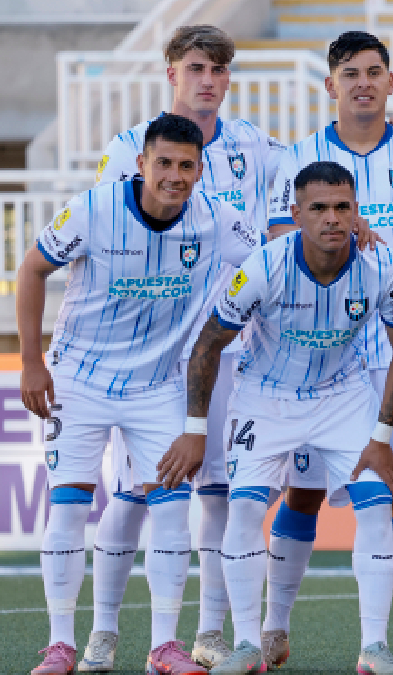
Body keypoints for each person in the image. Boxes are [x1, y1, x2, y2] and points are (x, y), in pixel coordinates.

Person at [20, 114, 260, 675]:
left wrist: (351, 231)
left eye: (186, 165)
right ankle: (60, 645)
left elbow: (276, 256)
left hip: (157, 384)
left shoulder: (217, 220)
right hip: (80, 377)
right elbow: (31, 270)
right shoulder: (93, 209)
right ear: (141, 164)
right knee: (69, 504)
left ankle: (163, 647)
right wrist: (31, 361)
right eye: (164, 163)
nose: (174, 175)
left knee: (172, 508)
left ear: (199, 169)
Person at [264, 30, 393, 670]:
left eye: (374, 72)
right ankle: (273, 627)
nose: (363, 83)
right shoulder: (301, 155)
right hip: (322, 357)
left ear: (390, 82)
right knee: (304, 493)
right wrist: (348, 231)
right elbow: (277, 236)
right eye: (350, 73)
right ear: (330, 84)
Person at [83, 25, 279, 670]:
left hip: (232, 350)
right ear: (171, 72)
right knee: (138, 491)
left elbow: (324, 163)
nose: (208, 81)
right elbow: (102, 238)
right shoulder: (129, 149)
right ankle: (104, 632)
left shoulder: (253, 144)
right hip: (152, 355)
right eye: (196, 67)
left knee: (219, 489)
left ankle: (209, 632)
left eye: (219, 70)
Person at [177, 161, 393, 674]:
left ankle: (374, 649)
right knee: (245, 510)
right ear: (296, 213)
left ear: (356, 211)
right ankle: (248, 645)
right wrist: (196, 429)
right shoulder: (264, 267)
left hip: (343, 396)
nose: (332, 218)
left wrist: (381, 435)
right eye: (319, 208)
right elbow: (208, 344)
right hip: (265, 398)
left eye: (342, 207)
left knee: (377, 507)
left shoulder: (385, 266)